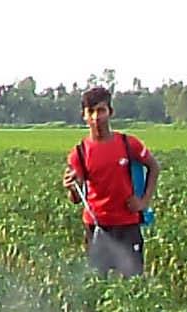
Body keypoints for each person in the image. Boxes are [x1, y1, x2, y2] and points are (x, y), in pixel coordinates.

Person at [61, 86, 158, 278]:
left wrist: (143, 201)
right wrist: (71, 187)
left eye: (101, 110)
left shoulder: (128, 144)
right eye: (91, 112)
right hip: (97, 226)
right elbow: (76, 198)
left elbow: (154, 167)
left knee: (134, 282)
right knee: (97, 283)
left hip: (128, 224)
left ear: (110, 112)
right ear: (84, 116)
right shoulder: (79, 153)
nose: (96, 117)